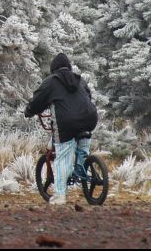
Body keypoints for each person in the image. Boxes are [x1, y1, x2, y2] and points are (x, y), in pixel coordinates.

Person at [24, 53, 98, 205]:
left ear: (53, 69)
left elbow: (38, 100)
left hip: (66, 123)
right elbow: (88, 97)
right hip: (89, 118)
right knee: (82, 149)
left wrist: (29, 111)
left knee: (62, 157)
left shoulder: (51, 82)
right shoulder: (80, 80)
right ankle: (81, 170)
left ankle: (59, 195)